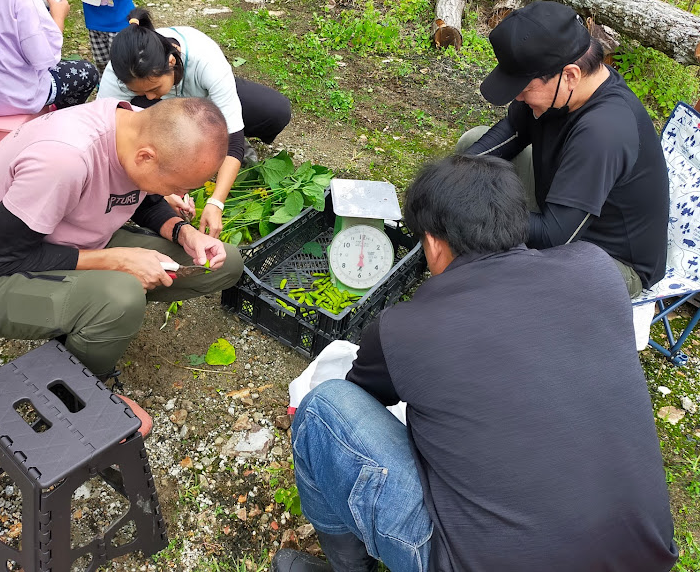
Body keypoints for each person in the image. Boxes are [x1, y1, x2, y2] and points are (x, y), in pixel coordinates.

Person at [273, 155, 678, 572]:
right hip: (642, 555)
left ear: (432, 243)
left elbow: (363, 397)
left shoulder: (404, 328)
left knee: (325, 408)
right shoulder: (596, 270)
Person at [0, 96, 243, 380]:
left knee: (225, 263)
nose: (178, 194)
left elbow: (144, 196)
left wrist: (183, 231)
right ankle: (79, 384)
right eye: (176, 186)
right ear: (146, 157)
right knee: (121, 299)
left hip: (71, 242)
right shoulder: (64, 161)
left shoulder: (138, 127)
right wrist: (116, 261)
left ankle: (87, 313)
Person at [456, 0, 668, 298]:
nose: (517, 98)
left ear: (570, 75)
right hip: (562, 204)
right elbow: (513, 132)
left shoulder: (603, 131)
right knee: (469, 152)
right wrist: (450, 177)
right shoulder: (564, 90)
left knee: (516, 276)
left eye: (525, 88)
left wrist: (479, 211)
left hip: (611, 259)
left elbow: (556, 237)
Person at [97, 8, 291, 235]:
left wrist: (216, 202)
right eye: (139, 91)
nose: (149, 96)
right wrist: (158, 190)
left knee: (275, 111)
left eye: (154, 88)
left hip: (206, 107)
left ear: (171, 61)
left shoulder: (204, 58)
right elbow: (107, 132)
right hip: (158, 115)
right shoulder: (120, 72)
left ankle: (215, 135)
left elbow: (235, 142)